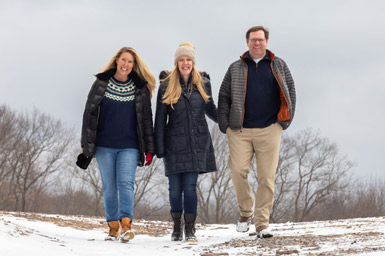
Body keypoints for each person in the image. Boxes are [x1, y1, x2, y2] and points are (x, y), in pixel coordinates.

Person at [218, 26, 296, 238]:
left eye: (260, 40)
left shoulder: (278, 65)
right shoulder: (235, 67)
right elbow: (224, 96)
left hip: (270, 129)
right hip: (240, 130)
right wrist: (224, 124)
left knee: (266, 178)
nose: (257, 43)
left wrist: (284, 121)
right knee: (237, 171)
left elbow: (290, 91)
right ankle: (246, 212)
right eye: (253, 40)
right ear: (247, 43)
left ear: (267, 42)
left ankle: (262, 223)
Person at [76, 46, 156, 242]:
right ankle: (113, 227)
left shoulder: (141, 89)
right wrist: (86, 146)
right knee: (110, 187)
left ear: (133, 65)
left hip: (130, 145)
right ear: (116, 61)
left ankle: (127, 225)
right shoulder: (101, 83)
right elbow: (89, 115)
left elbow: (146, 120)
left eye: (130, 62)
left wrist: (149, 149)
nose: (126, 64)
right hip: (104, 145)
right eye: (123, 60)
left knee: (126, 183)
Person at [155, 42, 217, 242]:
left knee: (190, 187)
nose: (185, 63)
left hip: (197, 143)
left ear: (193, 62)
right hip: (174, 143)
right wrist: (159, 147)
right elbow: (160, 118)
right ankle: (176, 227)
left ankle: (190, 229)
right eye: (181, 60)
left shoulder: (203, 83)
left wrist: (229, 121)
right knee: (174, 188)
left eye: (188, 59)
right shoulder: (166, 85)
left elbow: (211, 109)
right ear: (176, 63)